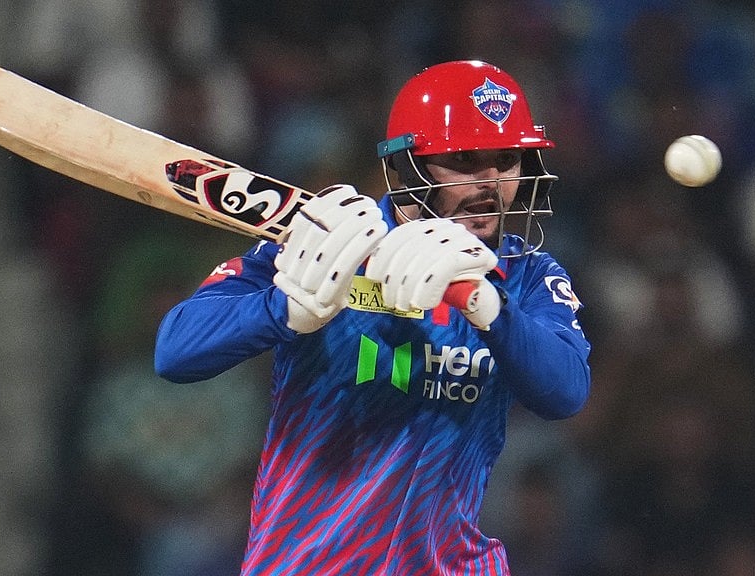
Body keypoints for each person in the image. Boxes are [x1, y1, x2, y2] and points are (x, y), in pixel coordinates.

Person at [155, 60, 592, 575]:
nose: (492, 185)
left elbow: (565, 392)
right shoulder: (326, 238)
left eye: (507, 159)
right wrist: (284, 310)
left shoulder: (526, 275)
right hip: (306, 564)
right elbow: (175, 351)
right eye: (466, 161)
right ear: (406, 167)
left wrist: (484, 303)